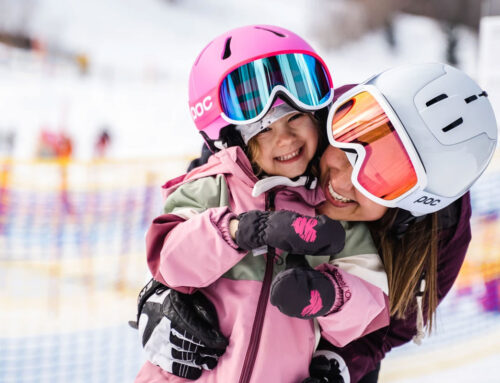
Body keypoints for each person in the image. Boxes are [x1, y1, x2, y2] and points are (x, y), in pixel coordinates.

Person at [133, 62, 497, 383]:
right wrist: (161, 292)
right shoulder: (321, 112)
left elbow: (385, 331)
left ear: (405, 207)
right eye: (348, 147)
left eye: (381, 179)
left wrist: (340, 366)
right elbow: (225, 166)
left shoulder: (436, 237)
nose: (338, 184)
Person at [133, 25, 391, 383]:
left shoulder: (332, 210)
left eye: (296, 117)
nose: (286, 138)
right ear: (233, 138)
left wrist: (328, 295)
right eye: (264, 130)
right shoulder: (211, 188)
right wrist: (237, 231)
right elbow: (169, 259)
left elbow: (370, 305)